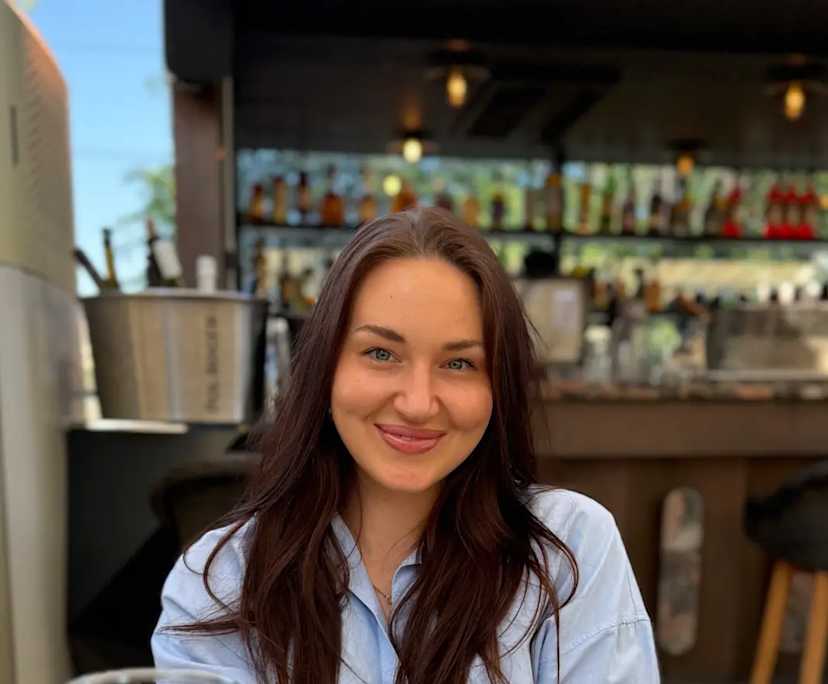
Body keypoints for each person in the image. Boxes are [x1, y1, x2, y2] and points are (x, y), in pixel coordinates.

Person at [152, 207, 659, 683]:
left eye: (458, 363)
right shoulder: (221, 582)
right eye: (380, 353)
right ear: (326, 368)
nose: (417, 403)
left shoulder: (568, 551)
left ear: (498, 388)